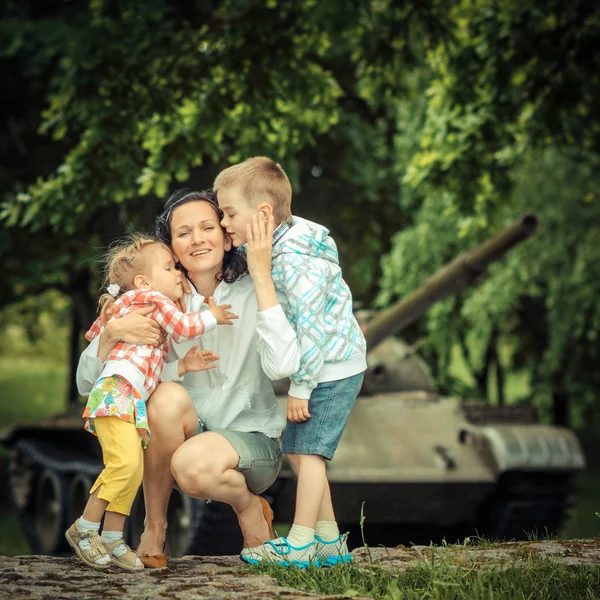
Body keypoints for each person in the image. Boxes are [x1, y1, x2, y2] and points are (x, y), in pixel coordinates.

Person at [76, 189, 301, 568]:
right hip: (185, 439)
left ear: (226, 235)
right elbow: (87, 384)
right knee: (163, 399)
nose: (197, 239)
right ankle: (155, 527)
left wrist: (262, 279)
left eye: (207, 227)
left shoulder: (253, 290)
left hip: (253, 444)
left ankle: (250, 509)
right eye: (183, 233)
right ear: (171, 249)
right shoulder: (153, 303)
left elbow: (283, 366)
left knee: (193, 463)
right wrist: (111, 336)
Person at [215, 157, 367, 567]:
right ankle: (331, 544)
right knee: (301, 453)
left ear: (263, 214)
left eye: (229, 213)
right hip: (325, 364)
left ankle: (300, 543)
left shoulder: (296, 262)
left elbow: (312, 329)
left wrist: (302, 387)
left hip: (330, 367)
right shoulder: (280, 245)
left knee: (310, 454)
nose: (224, 222)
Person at [66, 233, 235, 570]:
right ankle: (85, 529)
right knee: (124, 466)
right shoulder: (147, 303)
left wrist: (182, 366)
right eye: (170, 267)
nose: (178, 274)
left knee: (134, 469)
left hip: (132, 398)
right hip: (117, 393)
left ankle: (114, 538)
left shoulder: (147, 307)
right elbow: (86, 380)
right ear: (143, 281)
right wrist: (212, 314)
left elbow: (149, 371)